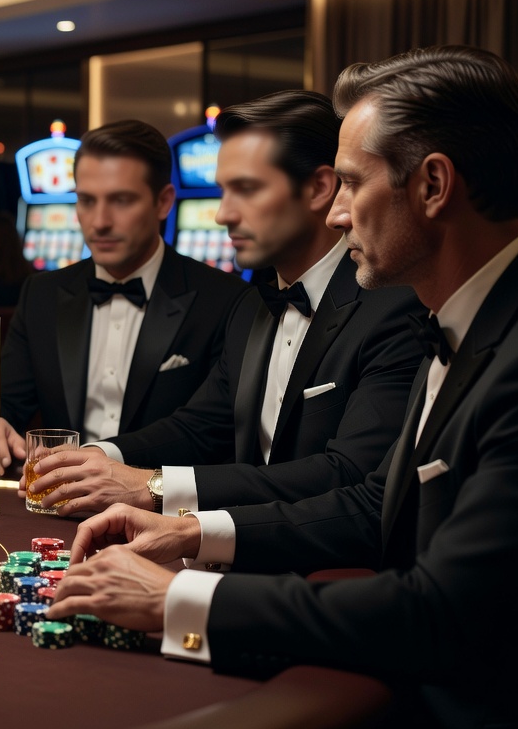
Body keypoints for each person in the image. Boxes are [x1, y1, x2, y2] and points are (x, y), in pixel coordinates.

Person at [53, 45, 518, 727]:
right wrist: (188, 531)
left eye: (354, 184)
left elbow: (443, 612)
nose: (338, 216)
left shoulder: (516, 351)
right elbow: (372, 507)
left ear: (431, 185)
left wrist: (177, 601)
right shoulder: (457, 313)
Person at [30, 91, 424, 517]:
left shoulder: (393, 307)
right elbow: (202, 426)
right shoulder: (252, 305)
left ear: (318, 188)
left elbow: (349, 474)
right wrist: (95, 456)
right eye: (223, 191)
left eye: (246, 190)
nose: (222, 215)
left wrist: (155, 486)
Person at [0, 120, 248, 476]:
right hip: (57, 502)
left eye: (121, 200)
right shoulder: (43, 293)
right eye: (86, 200)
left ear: (164, 202)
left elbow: (211, 434)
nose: (98, 222)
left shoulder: (225, 299)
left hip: (166, 511)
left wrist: (104, 459)